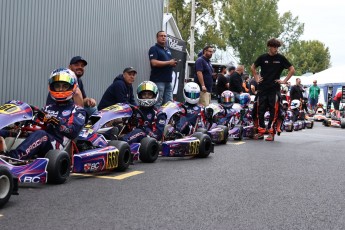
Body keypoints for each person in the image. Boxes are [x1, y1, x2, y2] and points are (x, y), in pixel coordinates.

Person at [0, 68, 86, 159]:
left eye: (65, 86)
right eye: (57, 86)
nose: (60, 89)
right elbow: (37, 124)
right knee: (4, 132)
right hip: (40, 139)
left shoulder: (77, 110)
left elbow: (72, 132)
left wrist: (53, 120)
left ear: (72, 87)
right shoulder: (47, 108)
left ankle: (14, 158)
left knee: (41, 134)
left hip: (58, 147)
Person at [251, 38, 295, 141]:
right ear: (269, 47)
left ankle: (271, 133)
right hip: (262, 88)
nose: (276, 49)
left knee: (273, 111)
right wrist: (256, 77)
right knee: (260, 111)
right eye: (274, 47)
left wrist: (284, 80)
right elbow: (253, 67)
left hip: (274, 89)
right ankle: (261, 132)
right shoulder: (262, 57)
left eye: (277, 47)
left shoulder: (280, 58)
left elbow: (292, 69)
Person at [148, 31, 177, 109]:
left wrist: (172, 64)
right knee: (157, 103)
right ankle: (155, 119)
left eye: (165, 36)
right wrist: (169, 62)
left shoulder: (167, 50)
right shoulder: (154, 49)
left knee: (169, 104)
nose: (163, 37)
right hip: (158, 80)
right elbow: (153, 62)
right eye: (161, 36)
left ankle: (167, 120)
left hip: (168, 81)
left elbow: (168, 63)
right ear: (157, 38)